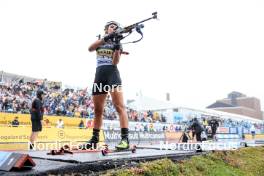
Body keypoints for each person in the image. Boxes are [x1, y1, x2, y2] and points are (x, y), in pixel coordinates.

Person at [80, 21, 129, 150]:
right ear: (106, 29)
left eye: (116, 27)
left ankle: (125, 139)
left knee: (119, 106)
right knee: (98, 110)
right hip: (100, 75)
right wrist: (106, 38)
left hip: (112, 74)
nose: (114, 28)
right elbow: (90, 48)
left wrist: (117, 46)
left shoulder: (117, 42)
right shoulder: (100, 41)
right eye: (111, 26)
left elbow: (115, 62)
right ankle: (94, 139)